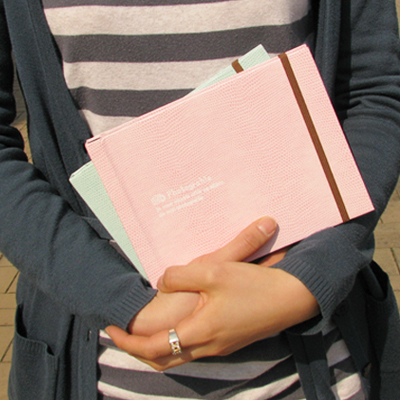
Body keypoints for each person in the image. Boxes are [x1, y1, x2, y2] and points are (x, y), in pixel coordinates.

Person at [1, 0, 400, 399]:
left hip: (321, 368)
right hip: (96, 370)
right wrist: (124, 302)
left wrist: (305, 282)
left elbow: (372, 96)